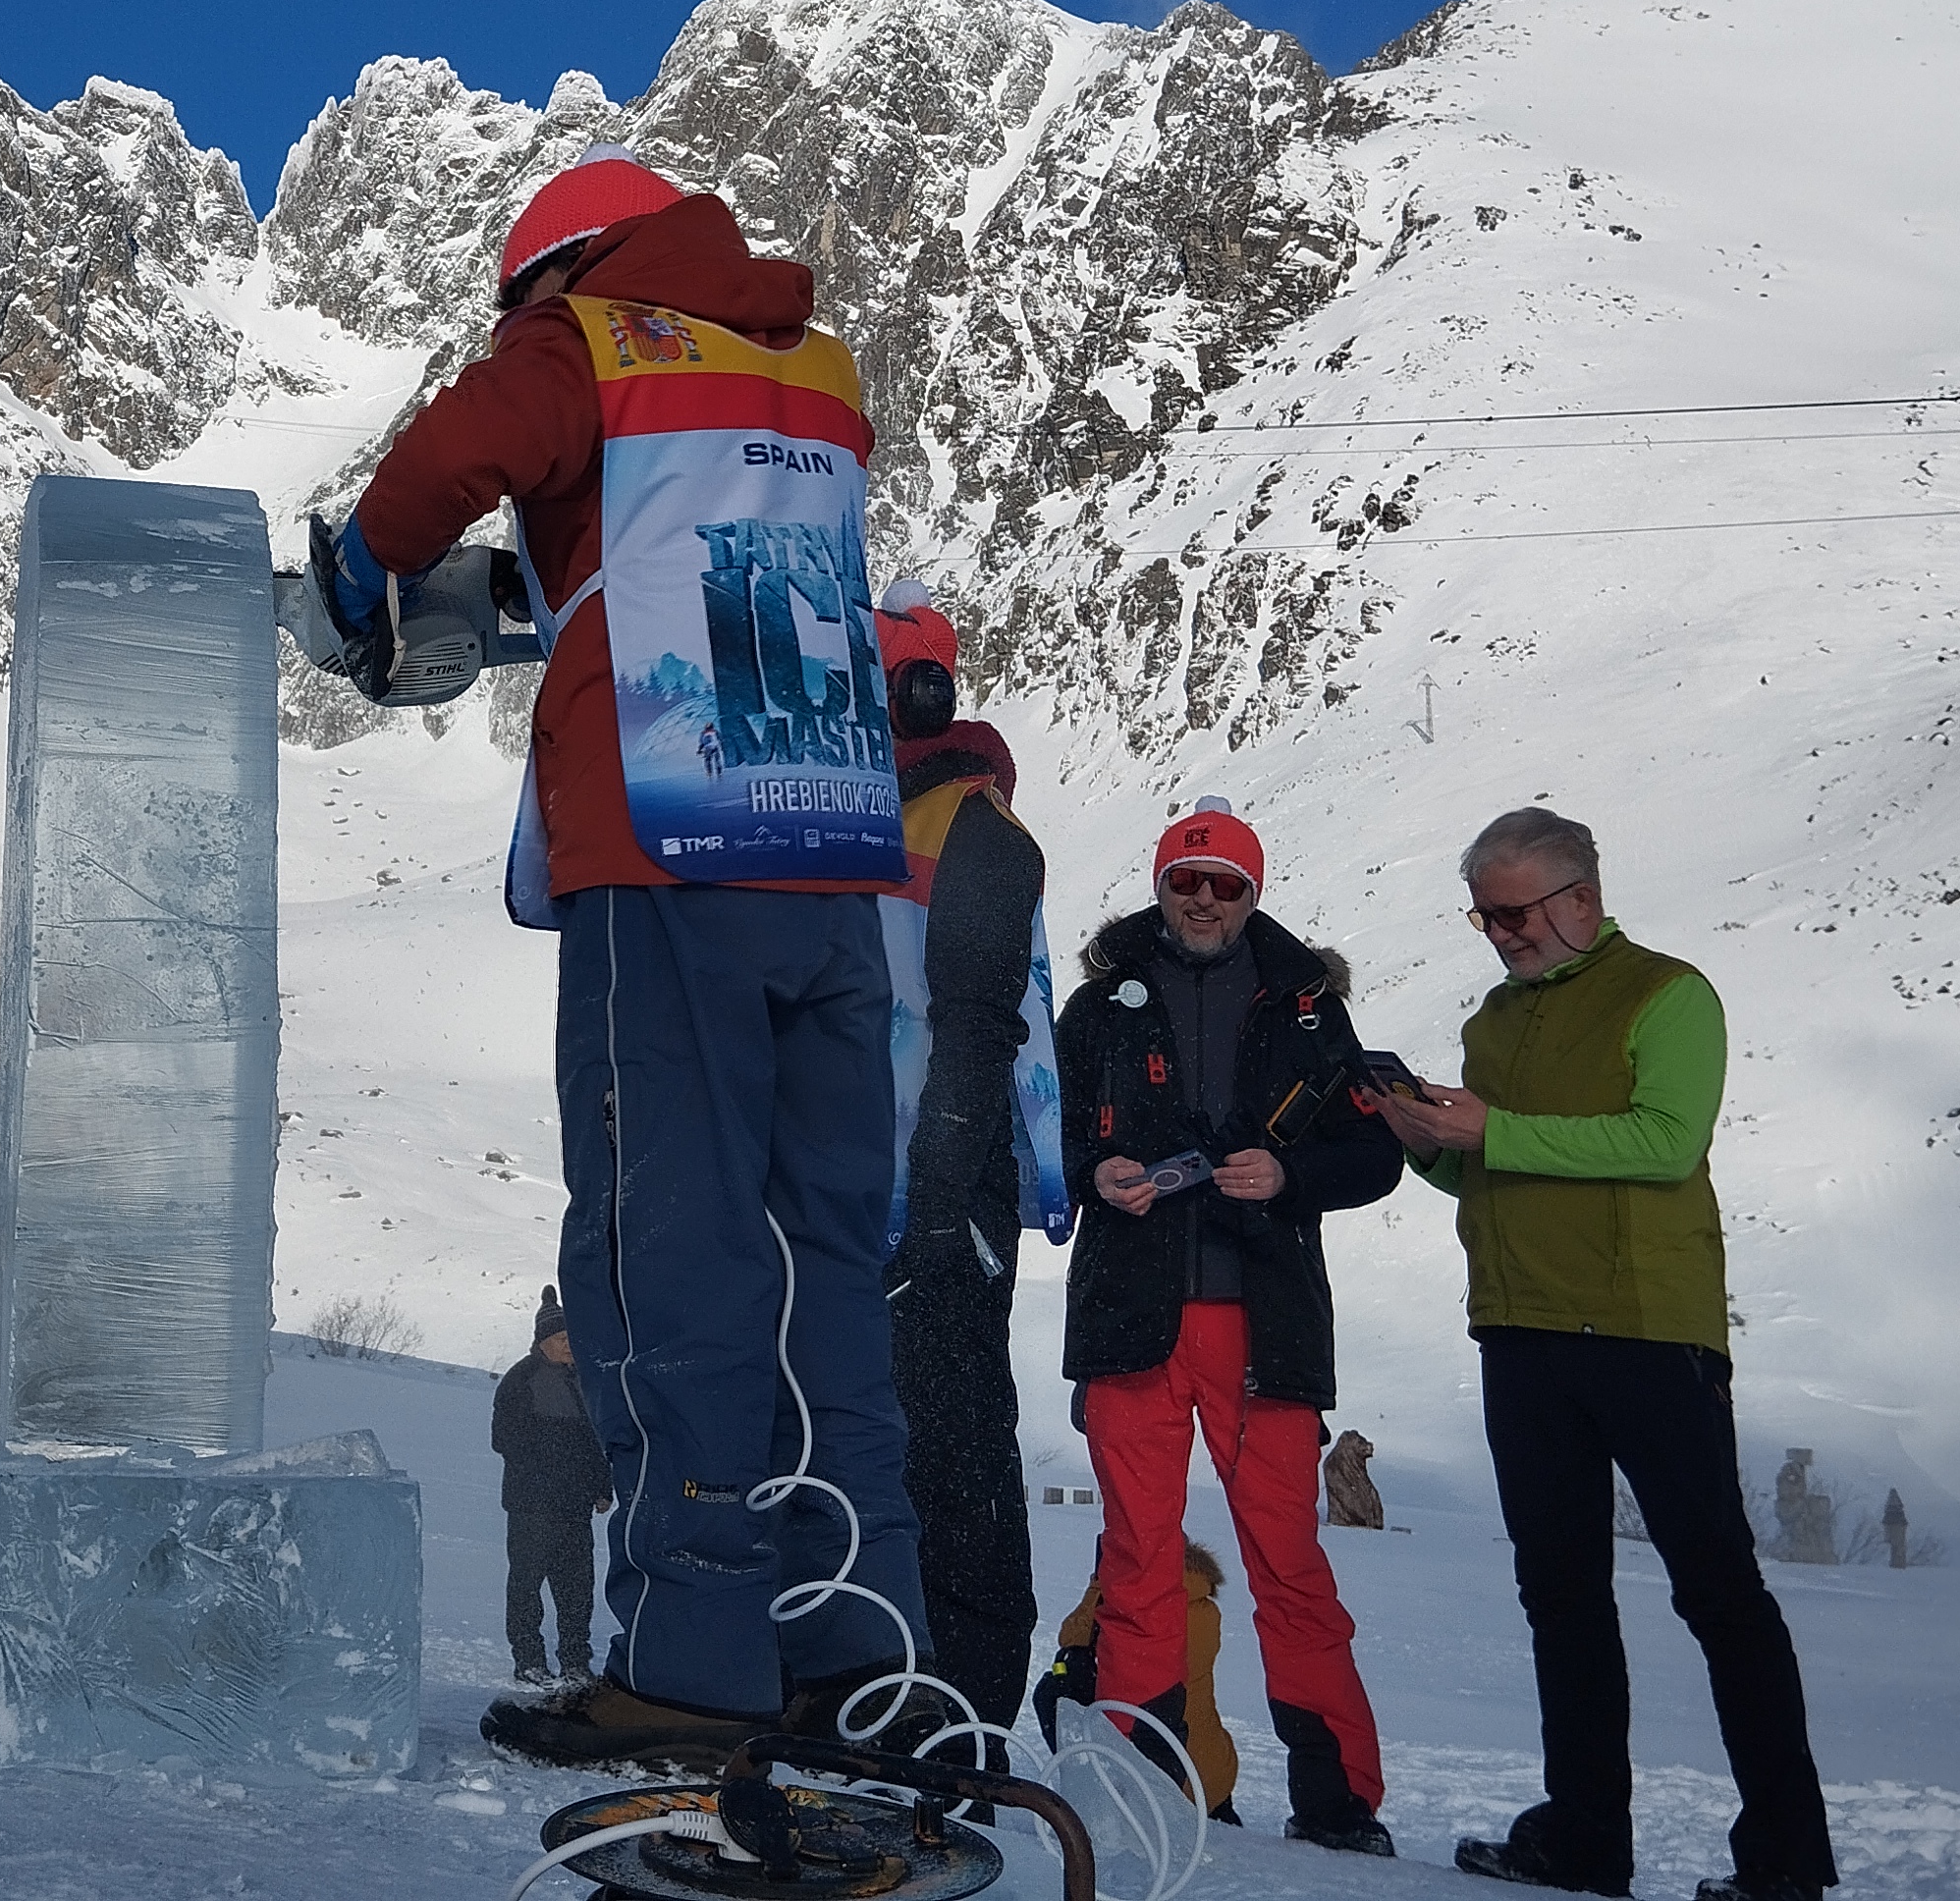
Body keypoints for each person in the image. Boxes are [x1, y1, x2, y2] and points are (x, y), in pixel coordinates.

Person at [324, 147, 929, 1769]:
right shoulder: (812, 362)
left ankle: (691, 1658)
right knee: (822, 1277)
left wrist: (362, 564)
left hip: (669, 856)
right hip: (835, 856)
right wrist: (551, 581)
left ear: (556, 272)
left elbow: (439, 473)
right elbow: (686, 552)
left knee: (669, 1269)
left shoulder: (585, 338)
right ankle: (852, 1661)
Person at [1380, 808, 1836, 1901]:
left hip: (1644, 1331)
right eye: (1485, 915)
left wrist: (1487, 1133)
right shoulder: (1493, 1021)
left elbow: (1665, 1139)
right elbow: (1503, 1168)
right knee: (1561, 1595)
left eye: (1515, 911)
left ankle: (1785, 1860)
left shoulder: (1669, 994)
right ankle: (1587, 1836)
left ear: (1582, 895)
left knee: (1719, 1593)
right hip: (1522, 1330)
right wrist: (1426, 1147)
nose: (1500, 934)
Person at [1057, 800, 1399, 1855]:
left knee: (1289, 1562)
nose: (1205, 899)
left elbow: (1376, 1156)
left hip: (1264, 1326)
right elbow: (1047, 1137)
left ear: (1256, 892)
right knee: (1137, 1555)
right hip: (1133, 1321)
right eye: (1186, 879)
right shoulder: (1094, 1009)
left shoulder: (1308, 1009)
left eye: (1226, 883)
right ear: (1160, 884)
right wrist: (1093, 1173)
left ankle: (1339, 1805)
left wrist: (1291, 1170)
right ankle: (1142, 1783)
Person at [871, 587, 1042, 1762]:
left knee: (957, 1448)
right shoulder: (847, 815)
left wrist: (933, 1210)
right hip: (862, 1194)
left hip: (944, 1193)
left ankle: (967, 1715)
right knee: (871, 1449)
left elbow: (979, 1027)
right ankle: (879, 1688)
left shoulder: (975, 829)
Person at [1033, 1536, 1242, 1820]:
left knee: (1052, 1691)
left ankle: (1093, 1790)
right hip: (1214, 1770)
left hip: (1167, 1779)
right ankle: (1220, 1814)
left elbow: (1071, 1637)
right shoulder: (1205, 1609)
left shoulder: (1133, 1605)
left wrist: (1100, 1585)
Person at [494, 1285, 614, 1688]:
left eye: (572, 1339)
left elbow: (599, 1442)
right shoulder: (519, 1380)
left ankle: (576, 1662)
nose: (569, 1346)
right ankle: (528, 1660)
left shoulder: (586, 1383)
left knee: (577, 1593)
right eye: (562, 1339)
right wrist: (549, 1461)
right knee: (527, 1587)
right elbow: (505, 1440)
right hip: (532, 1507)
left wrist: (602, 1487)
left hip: (574, 1509)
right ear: (543, 1341)